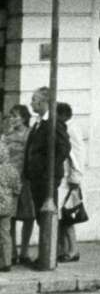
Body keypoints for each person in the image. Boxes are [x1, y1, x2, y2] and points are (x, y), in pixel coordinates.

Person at [20, 88, 70, 267]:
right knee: (42, 217)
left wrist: (48, 170)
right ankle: (47, 253)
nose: (32, 103)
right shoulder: (39, 122)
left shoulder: (53, 122)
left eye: (34, 100)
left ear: (43, 103)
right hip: (36, 178)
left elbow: (64, 148)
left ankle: (50, 255)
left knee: (46, 216)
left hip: (46, 179)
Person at [1, 107, 29, 268]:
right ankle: (10, 253)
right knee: (8, 218)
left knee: (27, 216)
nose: (12, 119)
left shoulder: (28, 134)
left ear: (23, 118)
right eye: (10, 116)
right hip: (8, 181)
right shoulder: (6, 135)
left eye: (15, 116)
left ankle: (24, 250)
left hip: (23, 179)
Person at [55, 103, 83, 263]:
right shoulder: (65, 128)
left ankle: (72, 250)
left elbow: (78, 154)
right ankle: (64, 248)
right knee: (62, 217)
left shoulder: (71, 129)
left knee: (67, 216)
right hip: (65, 179)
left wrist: (76, 178)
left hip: (68, 180)